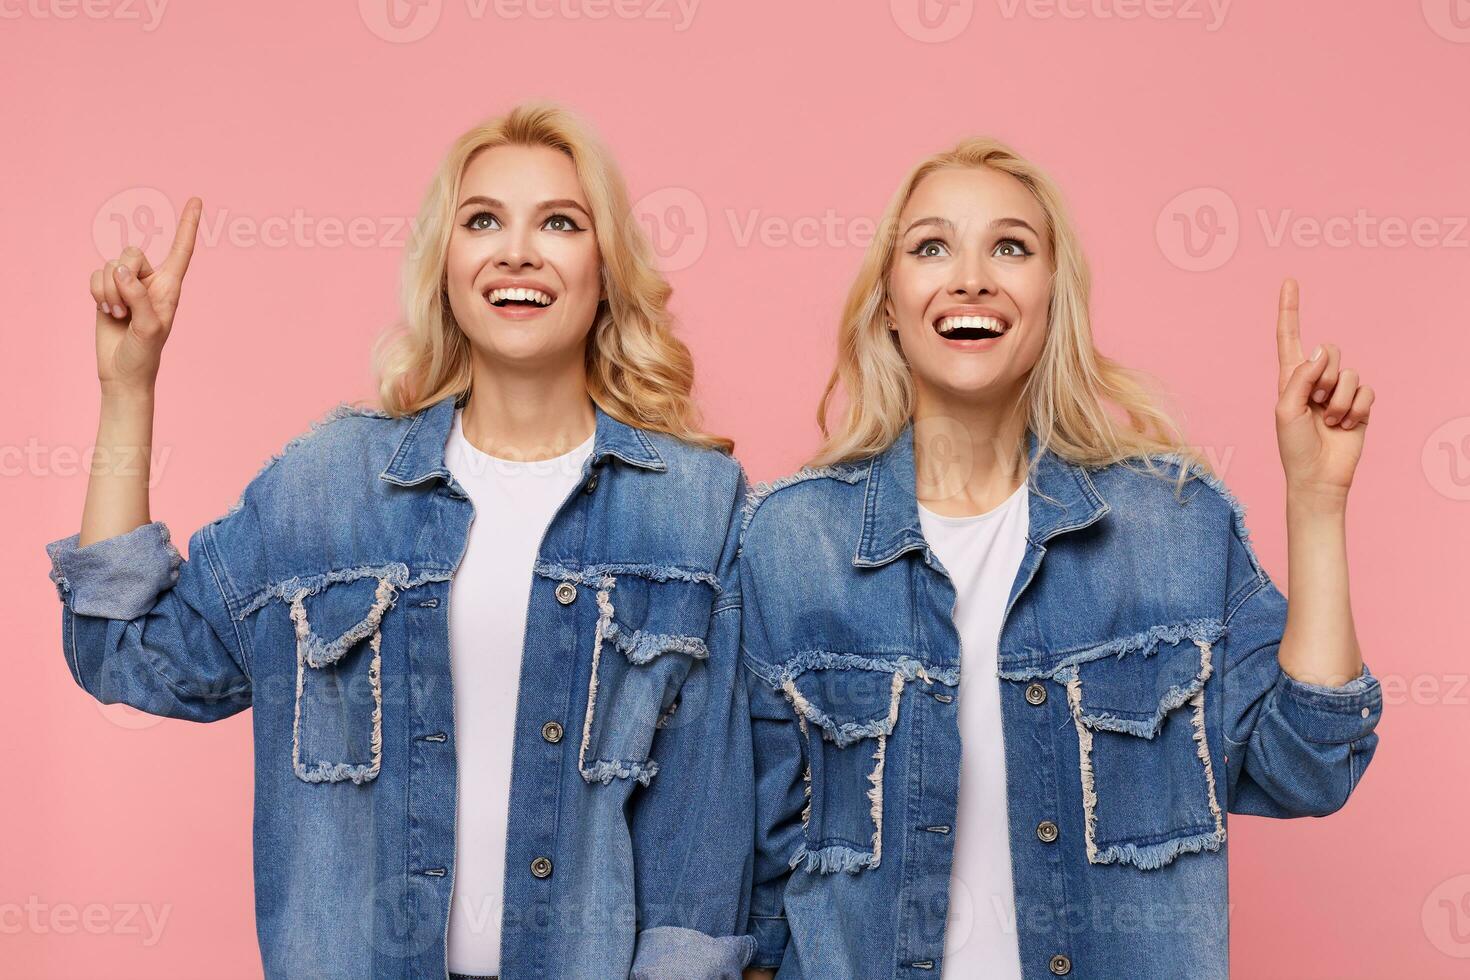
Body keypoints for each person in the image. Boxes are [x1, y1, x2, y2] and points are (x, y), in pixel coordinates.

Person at [50, 101, 756, 980]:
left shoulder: (697, 506)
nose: (518, 251)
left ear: (605, 269)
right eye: (484, 220)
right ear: (448, 268)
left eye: (562, 223)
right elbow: (123, 649)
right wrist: (128, 386)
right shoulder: (331, 487)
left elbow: (708, 820)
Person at [738, 136, 1381, 979]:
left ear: (1053, 299)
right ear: (890, 302)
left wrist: (1317, 501)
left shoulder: (1171, 523)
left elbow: (1309, 769)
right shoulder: (791, 541)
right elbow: (758, 877)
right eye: (932, 246)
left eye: (1011, 246)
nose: (971, 276)